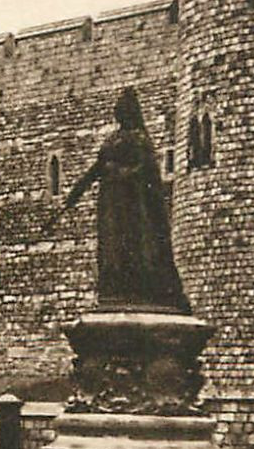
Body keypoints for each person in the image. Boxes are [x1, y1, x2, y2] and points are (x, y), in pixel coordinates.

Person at [64, 86, 189, 313]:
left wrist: (118, 173)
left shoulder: (140, 140)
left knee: (133, 246)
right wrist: (75, 192)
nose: (118, 113)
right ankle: (115, 287)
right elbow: (96, 169)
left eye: (121, 110)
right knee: (112, 248)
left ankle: (136, 287)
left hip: (132, 204)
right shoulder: (114, 139)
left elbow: (145, 170)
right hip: (111, 204)